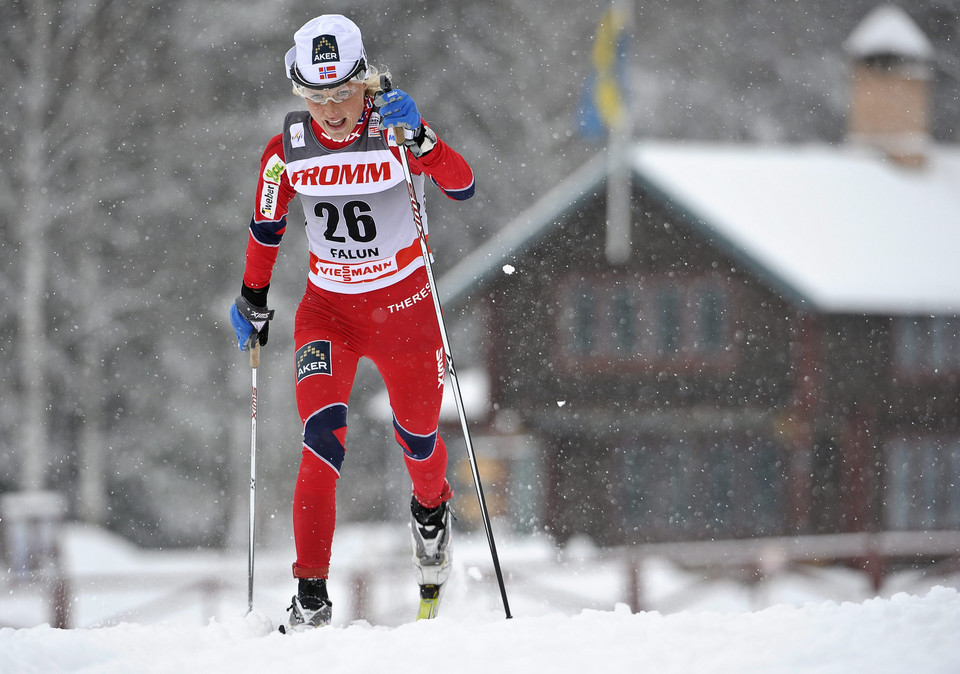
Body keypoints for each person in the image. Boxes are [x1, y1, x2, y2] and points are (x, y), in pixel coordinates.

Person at [229, 14, 475, 630]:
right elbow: (266, 227)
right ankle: (310, 595)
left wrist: (423, 140)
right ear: (300, 93)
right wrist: (252, 297)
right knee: (320, 443)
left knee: (417, 438)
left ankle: (431, 510)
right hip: (328, 313)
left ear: (365, 83)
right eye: (317, 96)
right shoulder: (286, 150)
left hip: (404, 309)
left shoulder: (394, 125)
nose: (332, 110)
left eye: (342, 93)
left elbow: (462, 184)